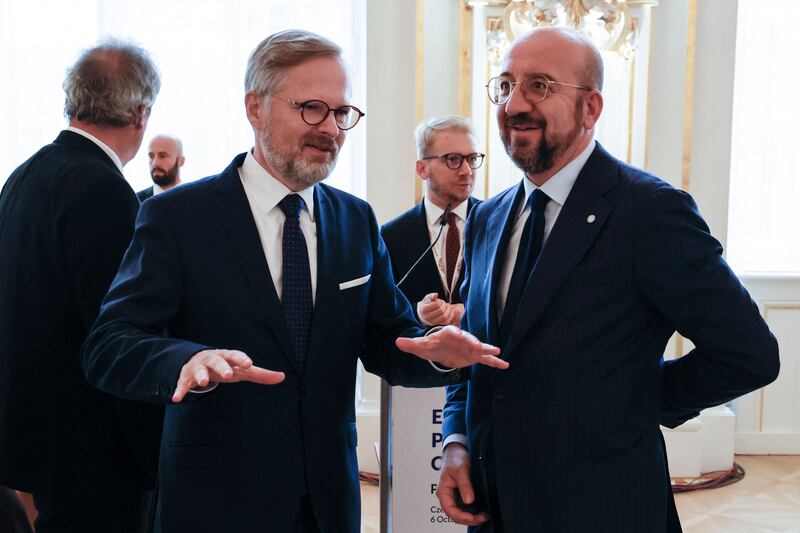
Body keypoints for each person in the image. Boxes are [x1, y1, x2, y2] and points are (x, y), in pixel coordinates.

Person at [80, 29, 504, 533]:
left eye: (341, 113)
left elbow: (388, 338)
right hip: (215, 501)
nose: (330, 128)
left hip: (327, 504)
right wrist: (184, 359)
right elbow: (109, 345)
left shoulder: (355, 220)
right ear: (254, 107)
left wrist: (436, 351)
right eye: (311, 108)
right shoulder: (177, 217)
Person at [436, 27, 780, 533]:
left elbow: (749, 353)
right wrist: (457, 444)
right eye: (505, 85)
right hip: (493, 507)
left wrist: (639, 399)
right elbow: (475, 355)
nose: (513, 105)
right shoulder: (487, 218)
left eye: (540, 86)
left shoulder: (649, 211)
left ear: (591, 108)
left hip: (603, 505)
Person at [0, 39, 163, 533]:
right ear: (141, 113)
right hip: (89, 448)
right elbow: (118, 335)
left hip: (33, 433)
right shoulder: (102, 189)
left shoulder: (24, 175)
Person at [381, 115, 482, 326]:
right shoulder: (392, 235)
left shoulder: (496, 223)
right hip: (421, 356)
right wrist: (417, 313)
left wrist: (467, 311)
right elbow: (381, 314)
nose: (467, 171)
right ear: (422, 169)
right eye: (453, 159)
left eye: (472, 159)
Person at [137, 134, 185, 202]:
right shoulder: (136, 202)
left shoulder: (196, 200)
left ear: (181, 161)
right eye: (151, 156)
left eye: (162, 156)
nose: (154, 163)